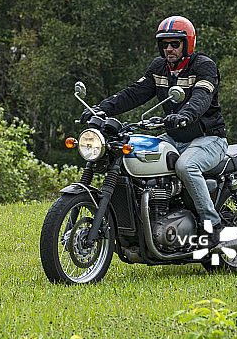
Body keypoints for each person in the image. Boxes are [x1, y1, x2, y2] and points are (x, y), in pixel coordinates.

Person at [80, 15, 228, 246]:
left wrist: (184, 116)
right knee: (136, 156)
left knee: (186, 166)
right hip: (173, 137)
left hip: (208, 138)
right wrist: (100, 109)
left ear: (187, 44)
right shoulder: (159, 68)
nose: (169, 48)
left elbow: (201, 97)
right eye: (164, 44)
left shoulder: (204, 66)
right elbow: (133, 93)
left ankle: (213, 226)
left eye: (175, 43)